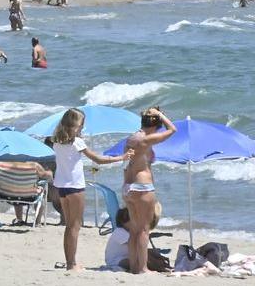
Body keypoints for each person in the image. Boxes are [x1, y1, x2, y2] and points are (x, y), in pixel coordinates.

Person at [50, 108, 130, 272]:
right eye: (81, 125)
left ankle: (69, 262)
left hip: (62, 186)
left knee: (69, 226)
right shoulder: (77, 142)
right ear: (74, 124)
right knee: (75, 226)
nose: (82, 128)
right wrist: (122, 157)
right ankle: (72, 265)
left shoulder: (56, 141)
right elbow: (98, 160)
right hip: (75, 186)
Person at [123, 107, 176, 274]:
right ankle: (143, 268)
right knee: (144, 229)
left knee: (134, 229)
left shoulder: (132, 138)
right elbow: (173, 129)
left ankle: (134, 267)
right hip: (142, 186)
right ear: (155, 125)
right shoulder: (146, 139)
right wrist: (160, 114)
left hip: (128, 186)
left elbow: (126, 165)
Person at [105, 204, 161, 271]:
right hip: (116, 260)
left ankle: (158, 265)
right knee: (142, 259)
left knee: (149, 254)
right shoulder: (119, 231)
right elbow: (135, 245)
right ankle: (155, 267)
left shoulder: (129, 232)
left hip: (127, 256)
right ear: (124, 222)